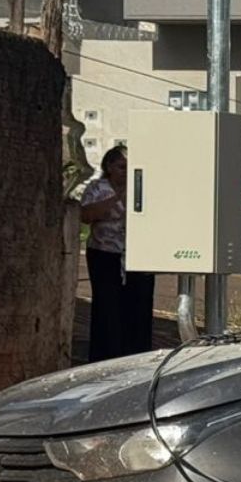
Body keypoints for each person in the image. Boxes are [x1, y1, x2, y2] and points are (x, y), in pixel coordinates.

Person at [79, 146, 156, 362]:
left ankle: (135, 355)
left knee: (137, 306)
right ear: (110, 167)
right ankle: (105, 355)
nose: (126, 171)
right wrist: (117, 197)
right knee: (107, 307)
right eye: (122, 167)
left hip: (136, 255)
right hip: (105, 254)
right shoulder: (98, 187)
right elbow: (86, 215)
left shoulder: (140, 187)